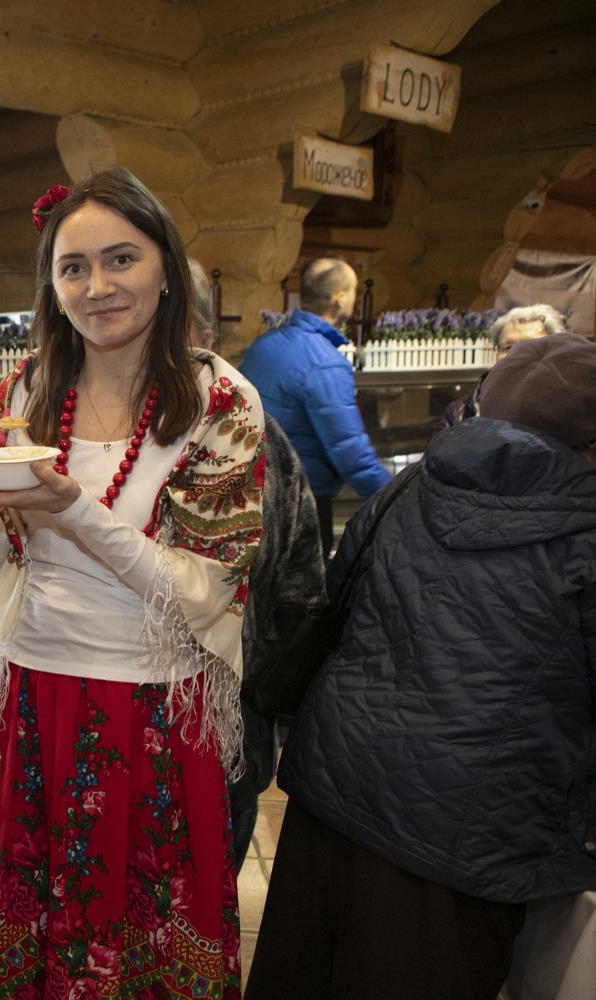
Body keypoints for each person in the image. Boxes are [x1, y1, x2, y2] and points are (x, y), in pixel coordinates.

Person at [0, 169, 264, 997]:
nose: (97, 286)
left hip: (152, 707)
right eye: (74, 268)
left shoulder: (219, 401)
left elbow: (201, 591)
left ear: (165, 268)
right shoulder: (26, 390)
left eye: (120, 259)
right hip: (29, 695)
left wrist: (71, 507)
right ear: (51, 286)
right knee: (31, 934)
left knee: (138, 940)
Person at [245, 334, 596, 999]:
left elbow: (336, 603)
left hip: (334, 789)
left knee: (303, 974)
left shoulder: (411, 484)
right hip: (463, 835)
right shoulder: (582, 530)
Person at [188, 259, 325, 872]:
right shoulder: (70, 437)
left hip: (226, 735)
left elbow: (300, 593)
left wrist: (261, 700)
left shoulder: (255, 438)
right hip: (89, 740)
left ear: (206, 338)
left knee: (205, 897)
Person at [240, 258, 389, 555]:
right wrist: (395, 497)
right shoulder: (325, 363)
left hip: (250, 491)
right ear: (340, 298)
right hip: (300, 505)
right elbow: (350, 452)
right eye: (354, 291)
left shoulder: (264, 344)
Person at [435, 303, 568, 431]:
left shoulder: (569, 408)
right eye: (507, 347)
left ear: (554, 351)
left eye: (530, 346)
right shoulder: (459, 413)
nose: (516, 354)